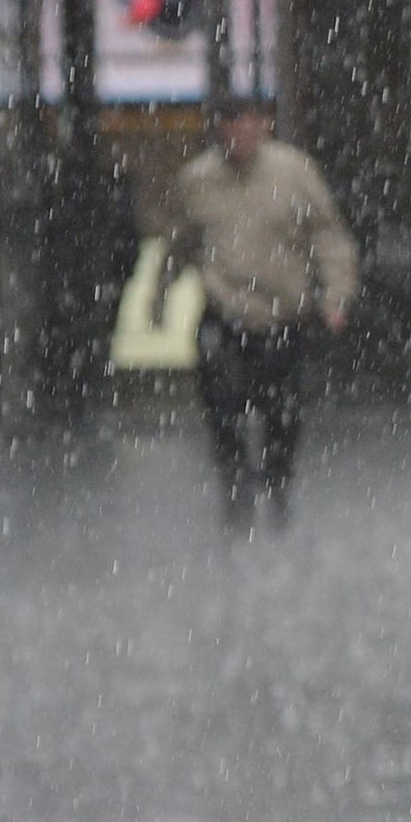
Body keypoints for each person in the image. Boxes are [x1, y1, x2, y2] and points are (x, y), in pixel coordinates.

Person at [155, 93, 357, 526]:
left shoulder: (294, 172)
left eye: (247, 128)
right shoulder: (198, 179)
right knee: (222, 403)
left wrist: (336, 294)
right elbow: (180, 241)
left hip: (282, 312)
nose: (238, 140)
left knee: (282, 412)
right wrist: (162, 293)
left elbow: (328, 235)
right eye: (229, 130)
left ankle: (277, 483)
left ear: (263, 127)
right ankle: (235, 484)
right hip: (224, 310)